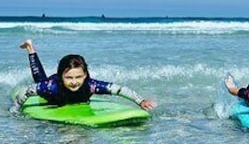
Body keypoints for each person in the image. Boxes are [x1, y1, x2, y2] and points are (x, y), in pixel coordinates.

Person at [11, 39, 156, 112]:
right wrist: (15, 111)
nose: (74, 82)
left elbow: (119, 90)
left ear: (85, 75)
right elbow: (27, 91)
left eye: (78, 77)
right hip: (52, 96)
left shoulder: (90, 85)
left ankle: (31, 48)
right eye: (69, 78)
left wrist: (140, 101)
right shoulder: (51, 86)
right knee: (39, 78)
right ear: (61, 76)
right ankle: (30, 48)